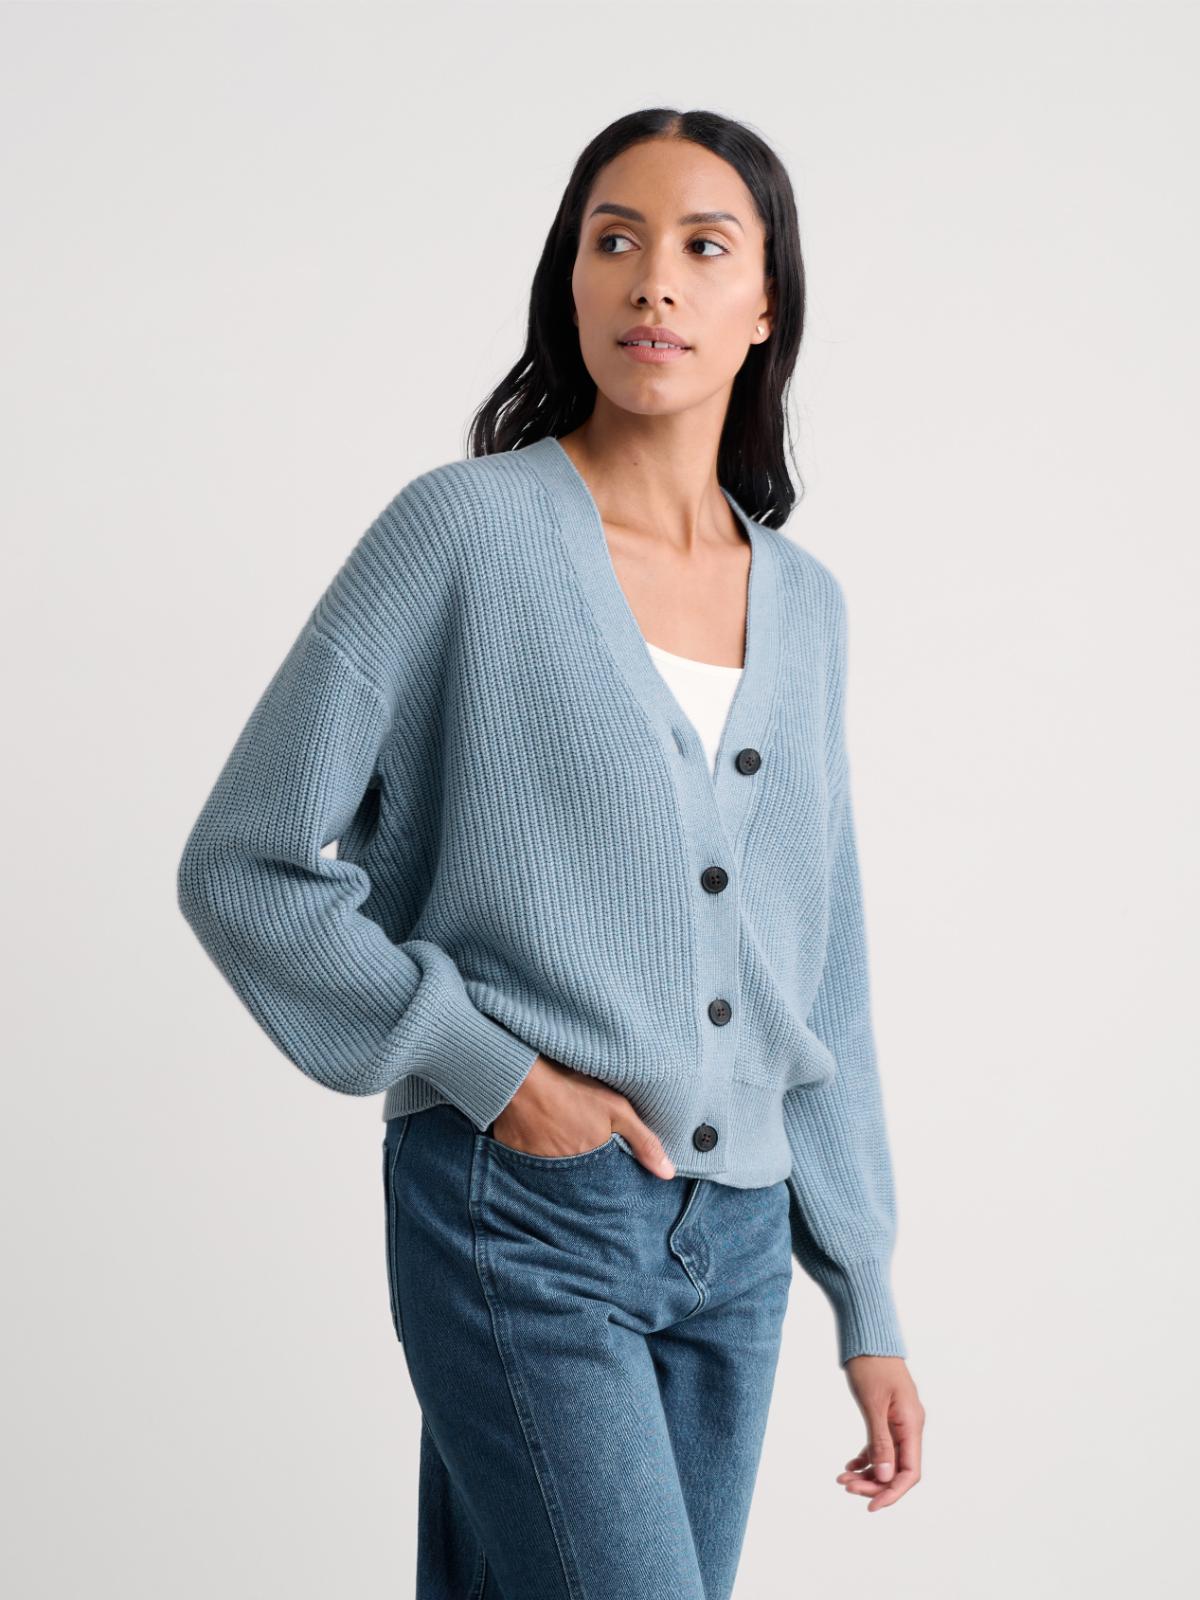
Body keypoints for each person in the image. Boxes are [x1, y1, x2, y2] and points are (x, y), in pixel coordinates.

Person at [177, 106, 925, 1599]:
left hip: (736, 1251)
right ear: (570, 282)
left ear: (764, 305)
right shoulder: (464, 532)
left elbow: (819, 971)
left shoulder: (809, 606)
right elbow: (246, 861)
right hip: (522, 1208)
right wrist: (491, 1070)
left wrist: (866, 1292)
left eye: (704, 246)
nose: (654, 281)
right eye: (614, 240)